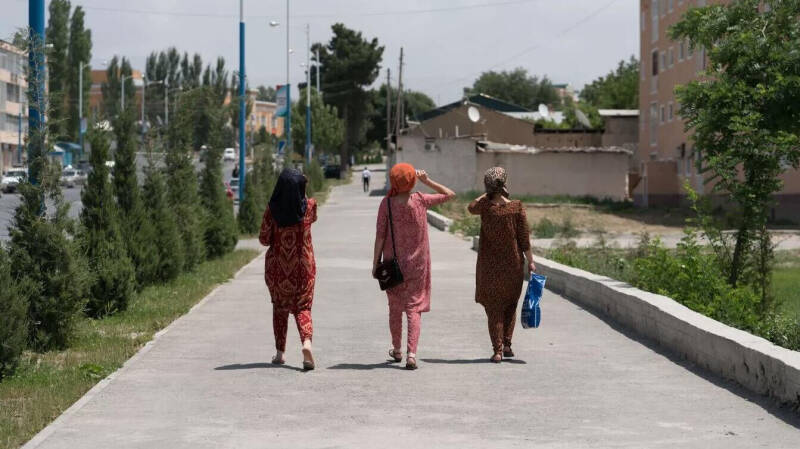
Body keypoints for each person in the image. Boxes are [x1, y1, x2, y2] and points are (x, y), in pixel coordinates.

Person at [372, 163, 455, 370]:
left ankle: (396, 349)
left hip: (393, 266)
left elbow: (380, 236)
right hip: (417, 266)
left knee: (394, 308)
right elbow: (449, 195)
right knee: (413, 309)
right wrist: (427, 181)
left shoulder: (387, 204)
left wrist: (375, 263)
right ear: (412, 180)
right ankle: (411, 354)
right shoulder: (420, 200)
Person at [468, 167, 535, 363]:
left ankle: (497, 350)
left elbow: (470, 207)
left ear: (487, 186)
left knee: (494, 308)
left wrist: (487, 192)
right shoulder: (516, 207)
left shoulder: (485, 207)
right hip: (513, 266)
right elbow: (524, 238)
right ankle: (507, 345)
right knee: (509, 306)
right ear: (505, 184)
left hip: (489, 267)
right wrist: (531, 261)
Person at [259, 168, 318, 371]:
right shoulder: (309, 207)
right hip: (304, 267)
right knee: (303, 307)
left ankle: (279, 353)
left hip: (278, 269)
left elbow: (263, 239)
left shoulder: (272, 211)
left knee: (280, 308)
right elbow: (312, 217)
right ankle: (306, 344)